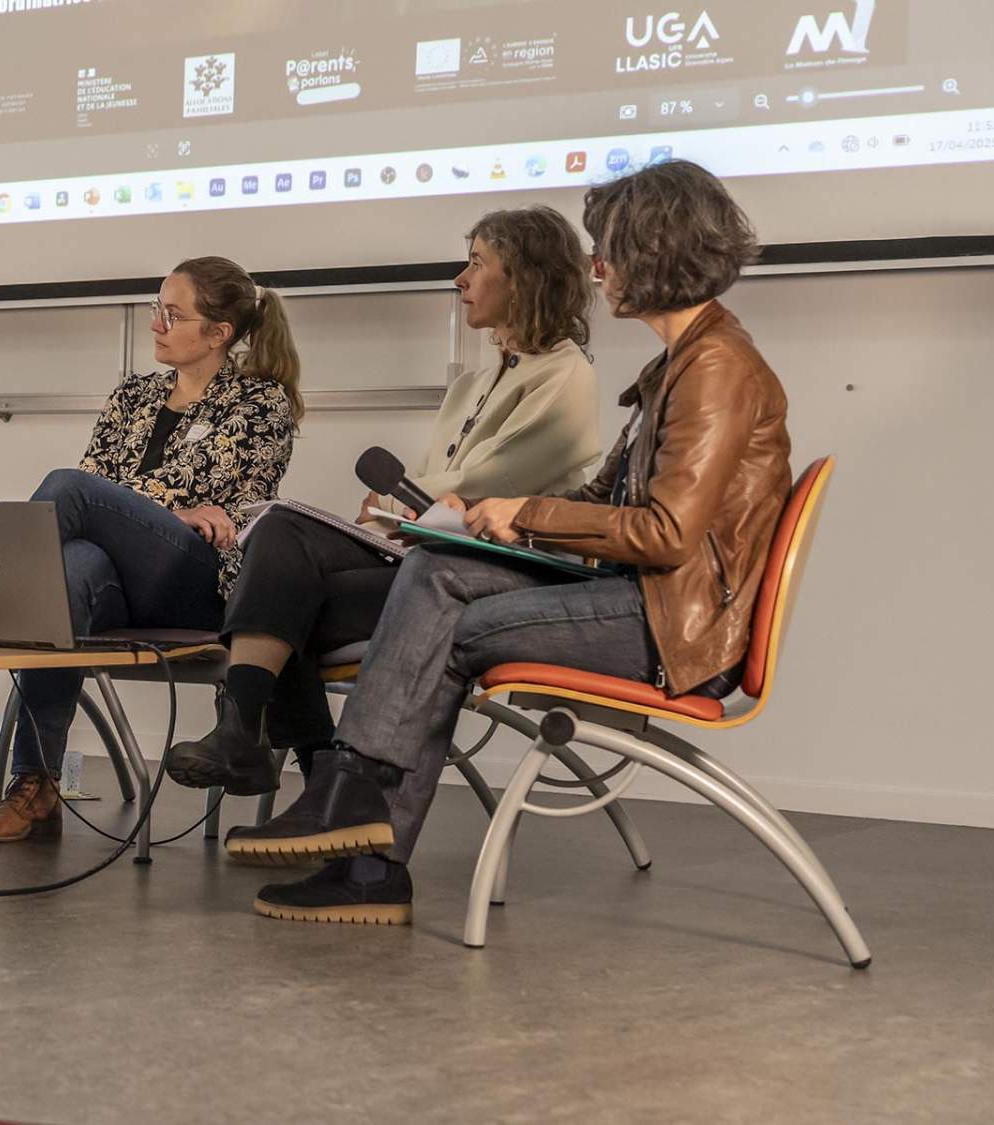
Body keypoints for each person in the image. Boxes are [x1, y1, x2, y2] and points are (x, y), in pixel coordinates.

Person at [228, 160, 789, 925]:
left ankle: (362, 842)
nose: (597, 268)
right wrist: (507, 511)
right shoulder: (684, 362)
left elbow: (665, 531)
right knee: (436, 568)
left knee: (444, 619)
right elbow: (611, 502)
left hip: (673, 627)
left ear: (658, 250)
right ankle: (354, 818)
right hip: (652, 602)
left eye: (611, 249)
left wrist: (531, 513)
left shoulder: (715, 369)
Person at [161, 206, 602, 796]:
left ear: (524, 277)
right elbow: (434, 486)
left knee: (281, 576)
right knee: (280, 537)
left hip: (489, 575)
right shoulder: (474, 381)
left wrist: (402, 507)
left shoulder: (566, 375)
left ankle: (288, 759)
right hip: (428, 555)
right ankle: (282, 759)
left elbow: (483, 484)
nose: (460, 280)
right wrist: (392, 511)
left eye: (476, 265)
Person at [0, 256, 302, 843]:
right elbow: (105, 495)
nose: (156, 324)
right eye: (156, 310)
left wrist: (148, 510)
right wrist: (165, 508)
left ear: (219, 333)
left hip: (197, 586)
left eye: (173, 314)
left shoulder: (259, 403)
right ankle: (35, 783)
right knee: (69, 568)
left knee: (66, 488)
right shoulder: (133, 396)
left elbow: (223, 518)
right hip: (115, 582)